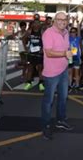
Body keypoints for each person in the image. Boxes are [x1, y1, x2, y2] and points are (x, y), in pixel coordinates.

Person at [41, 12, 74, 140]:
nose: (62, 22)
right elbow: (49, 53)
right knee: (48, 101)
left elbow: (66, 48)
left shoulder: (65, 32)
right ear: (55, 20)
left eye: (65, 20)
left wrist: (69, 54)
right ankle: (46, 126)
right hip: (51, 72)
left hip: (64, 70)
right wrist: (65, 53)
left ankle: (60, 120)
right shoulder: (48, 33)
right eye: (59, 19)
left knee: (63, 97)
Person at [23, 21, 44, 91]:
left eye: (38, 23)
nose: (36, 25)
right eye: (35, 23)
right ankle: (29, 83)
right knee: (30, 68)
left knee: (40, 68)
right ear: (32, 25)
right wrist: (26, 48)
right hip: (31, 52)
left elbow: (46, 41)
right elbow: (23, 39)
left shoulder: (41, 32)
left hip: (39, 52)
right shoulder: (29, 31)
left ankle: (41, 83)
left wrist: (42, 48)